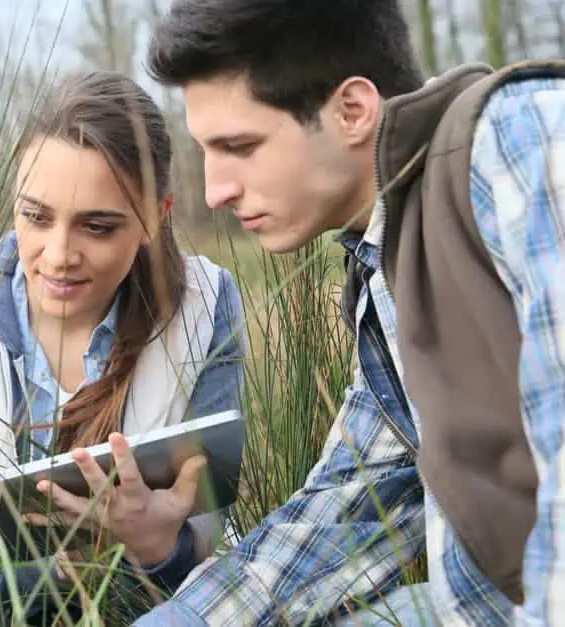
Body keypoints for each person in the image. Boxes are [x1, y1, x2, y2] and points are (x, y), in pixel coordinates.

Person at [135, 1, 565, 626]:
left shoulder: (522, 141)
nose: (215, 190)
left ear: (352, 111)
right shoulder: (388, 263)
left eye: (240, 146)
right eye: (207, 150)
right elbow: (352, 507)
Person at [0, 70, 247, 625]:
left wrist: (158, 551)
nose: (57, 256)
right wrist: (81, 573)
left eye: (97, 227)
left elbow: (205, 547)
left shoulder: (208, 304)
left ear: (156, 217)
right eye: (35, 216)